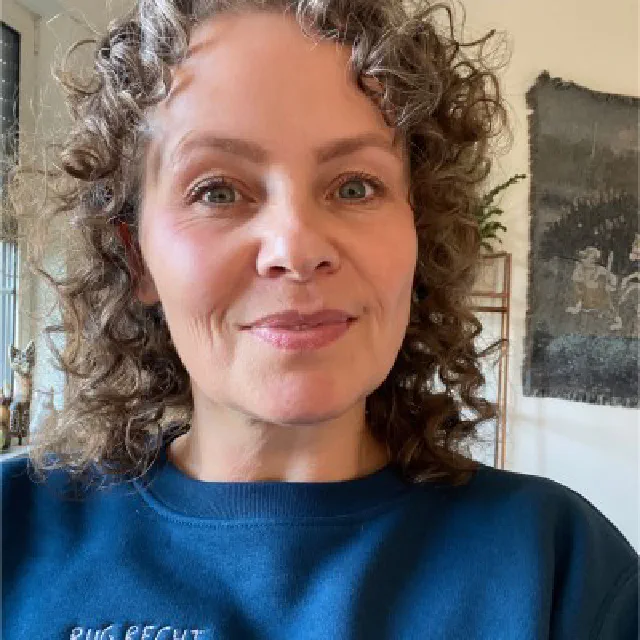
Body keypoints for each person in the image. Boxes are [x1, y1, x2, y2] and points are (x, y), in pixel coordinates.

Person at [2, 1, 637, 638]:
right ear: (137, 257)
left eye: (355, 186)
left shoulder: (562, 572)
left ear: (420, 229)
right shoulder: (13, 532)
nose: (298, 248)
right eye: (217, 190)